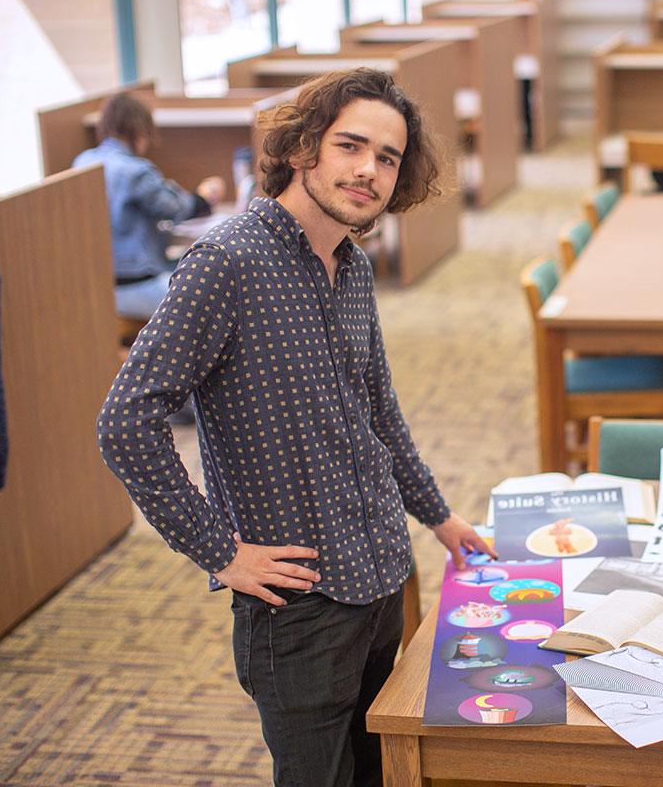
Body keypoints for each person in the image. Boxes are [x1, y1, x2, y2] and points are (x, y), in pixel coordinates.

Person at [96, 68, 496, 787]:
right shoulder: (227, 264)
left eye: (388, 157)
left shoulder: (352, 265)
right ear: (306, 146)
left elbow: (380, 414)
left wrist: (439, 517)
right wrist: (219, 551)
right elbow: (125, 423)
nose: (367, 169)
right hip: (299, 608)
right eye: (351, 146)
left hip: (380, 577)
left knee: (384, 772)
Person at [73, 92, 225, 321]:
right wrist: (204, 196)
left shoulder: (82, 162)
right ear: (139, 130)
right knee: (215, 300)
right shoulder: (136, 172)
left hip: (98, 288)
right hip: (136, 285)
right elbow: (177, 208)